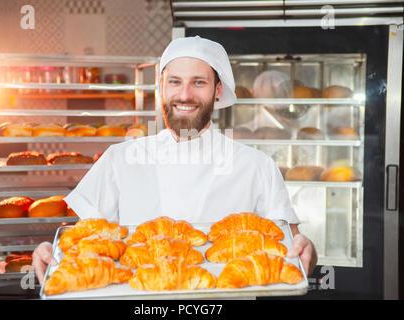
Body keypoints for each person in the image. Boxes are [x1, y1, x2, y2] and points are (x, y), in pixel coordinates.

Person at [32, 36, 318, 284]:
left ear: (217, 91)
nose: (185, 94)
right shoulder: (119, 159)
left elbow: (292, 249)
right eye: (175, 82)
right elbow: (85, 242)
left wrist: (309, 252)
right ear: (161, 88)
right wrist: (51, 252)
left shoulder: (256, 166)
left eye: (199, 82)